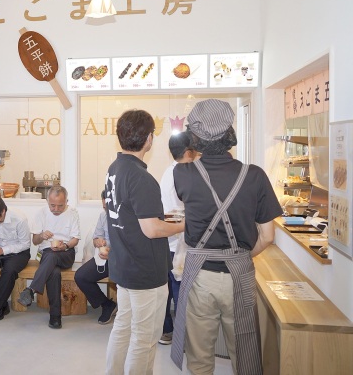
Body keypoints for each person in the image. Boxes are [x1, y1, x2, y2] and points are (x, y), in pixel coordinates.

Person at [170, 99, 282, 375]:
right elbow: (268, 236)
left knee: (199, 358)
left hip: (200, 276)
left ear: (195, 137)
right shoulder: (255, 175)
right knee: (244, 354)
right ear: (229, 132)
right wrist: (240, 256)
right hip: (239, 274)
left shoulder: (182, 173)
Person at [103, 109, 185, 375]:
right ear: (149, 138)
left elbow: (126, 212)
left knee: (123, 327)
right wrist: (185, 225)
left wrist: (163, 218)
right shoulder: (141, 177)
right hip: (144, 270)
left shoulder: (115, 169)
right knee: (144, 338)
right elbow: (151, 230)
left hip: (123, 264)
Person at [17, 185, 80, 329]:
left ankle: (31, 289)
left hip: (66, 253)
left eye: (60, 206)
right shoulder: (41, 213)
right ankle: (55, 316)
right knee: (54, 271)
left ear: (66, 201)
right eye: (52, 205)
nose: (56, 209)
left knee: (53, 257)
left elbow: (75, 240)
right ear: (47, 201)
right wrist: (41, 235)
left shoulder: (72, 213)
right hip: (45, 253)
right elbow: (35, 241)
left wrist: (65, 246)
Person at [158, 132, 198, 346]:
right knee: (179, 292)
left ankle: (166, 330)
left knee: (168, 290)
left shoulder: (168, 171)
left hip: (168, 241)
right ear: (188, 152)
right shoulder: (184, 173)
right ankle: (177, 335)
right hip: (178, 243)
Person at [74, 190, 117, 324]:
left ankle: (129, 313)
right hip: (104, 257)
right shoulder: (103, 216)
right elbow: (96, 237)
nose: (107, 211)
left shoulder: (130, 218)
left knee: (124, 281)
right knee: (81, 276)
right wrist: (97, 241)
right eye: (104, 207)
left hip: (123, 260)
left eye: (110, 208)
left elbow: (132, 246)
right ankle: (107, 304)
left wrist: (113, 253)